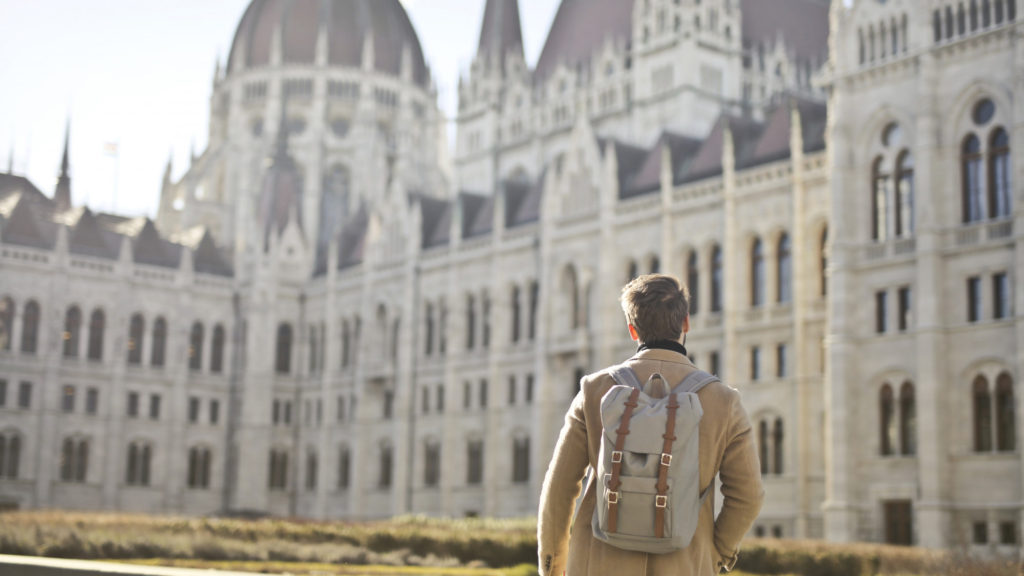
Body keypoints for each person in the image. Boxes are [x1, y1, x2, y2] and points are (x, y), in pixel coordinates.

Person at [537, 274, 764, 575]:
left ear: (633, 330)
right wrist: (715, 554)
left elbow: (560, 488)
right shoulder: (724, 402)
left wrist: (553, 566)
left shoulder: (594, 390)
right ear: (686, 323)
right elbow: (748, 496)